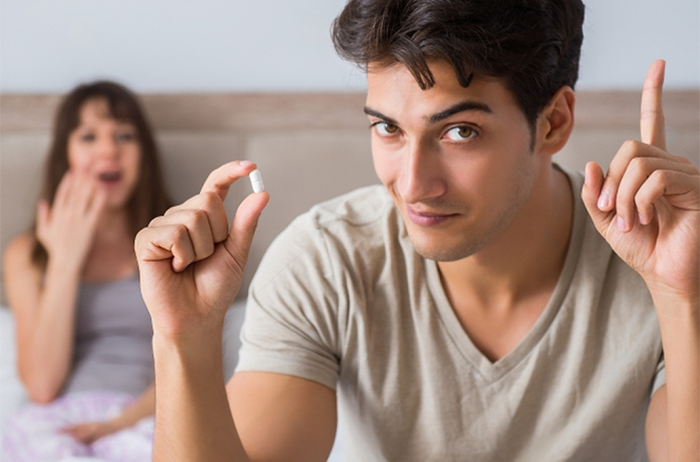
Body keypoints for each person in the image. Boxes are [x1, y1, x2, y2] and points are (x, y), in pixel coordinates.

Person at [134, 0, 699, 460]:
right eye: (388, 128)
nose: (411, 183)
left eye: (459, 132)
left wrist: (683, 295)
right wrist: (184, 339)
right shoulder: (327, 261)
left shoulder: (657, 267)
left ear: (552, 123)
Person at [2, 81, 171, 461]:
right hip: (58, 421)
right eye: (89, 136)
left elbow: (188, 365)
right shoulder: (27, 254)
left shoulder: (174, 240)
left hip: (145, 415)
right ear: (67, 154)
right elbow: (42, 386)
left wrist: (118, 424)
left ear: (144, 154)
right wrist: (65, 260)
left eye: (124, 135)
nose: (109, 150)